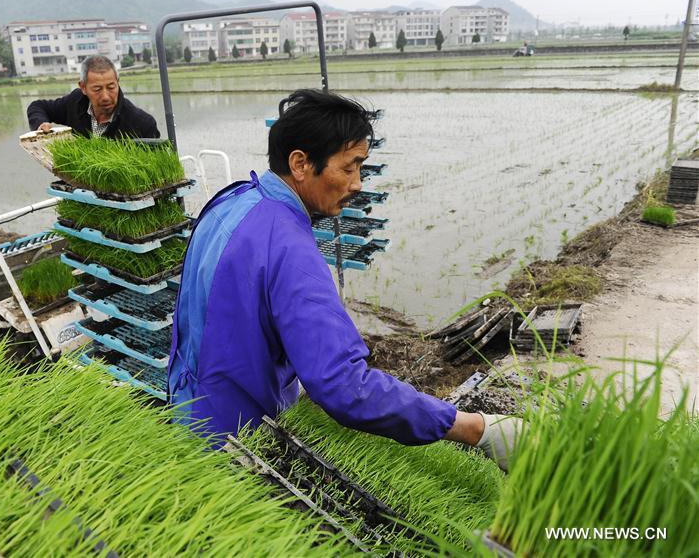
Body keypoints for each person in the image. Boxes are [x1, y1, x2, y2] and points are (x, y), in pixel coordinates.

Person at [168, 89, 522, 471]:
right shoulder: (290, 249)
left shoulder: (232, 200)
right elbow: (343, 385)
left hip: (187, 412)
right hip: (234, 445)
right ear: (301, 164)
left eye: (361, 168)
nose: (357, 184)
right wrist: (473, 428)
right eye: (349, 167)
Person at [27, 55, 159, 139]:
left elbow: (157, 168)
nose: (106, 96)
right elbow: (38, 106)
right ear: (83, 87)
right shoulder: (75, 102)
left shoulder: (143, 123)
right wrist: (40, 124)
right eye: (97, 89)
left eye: (111, 87)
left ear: (118, 82)